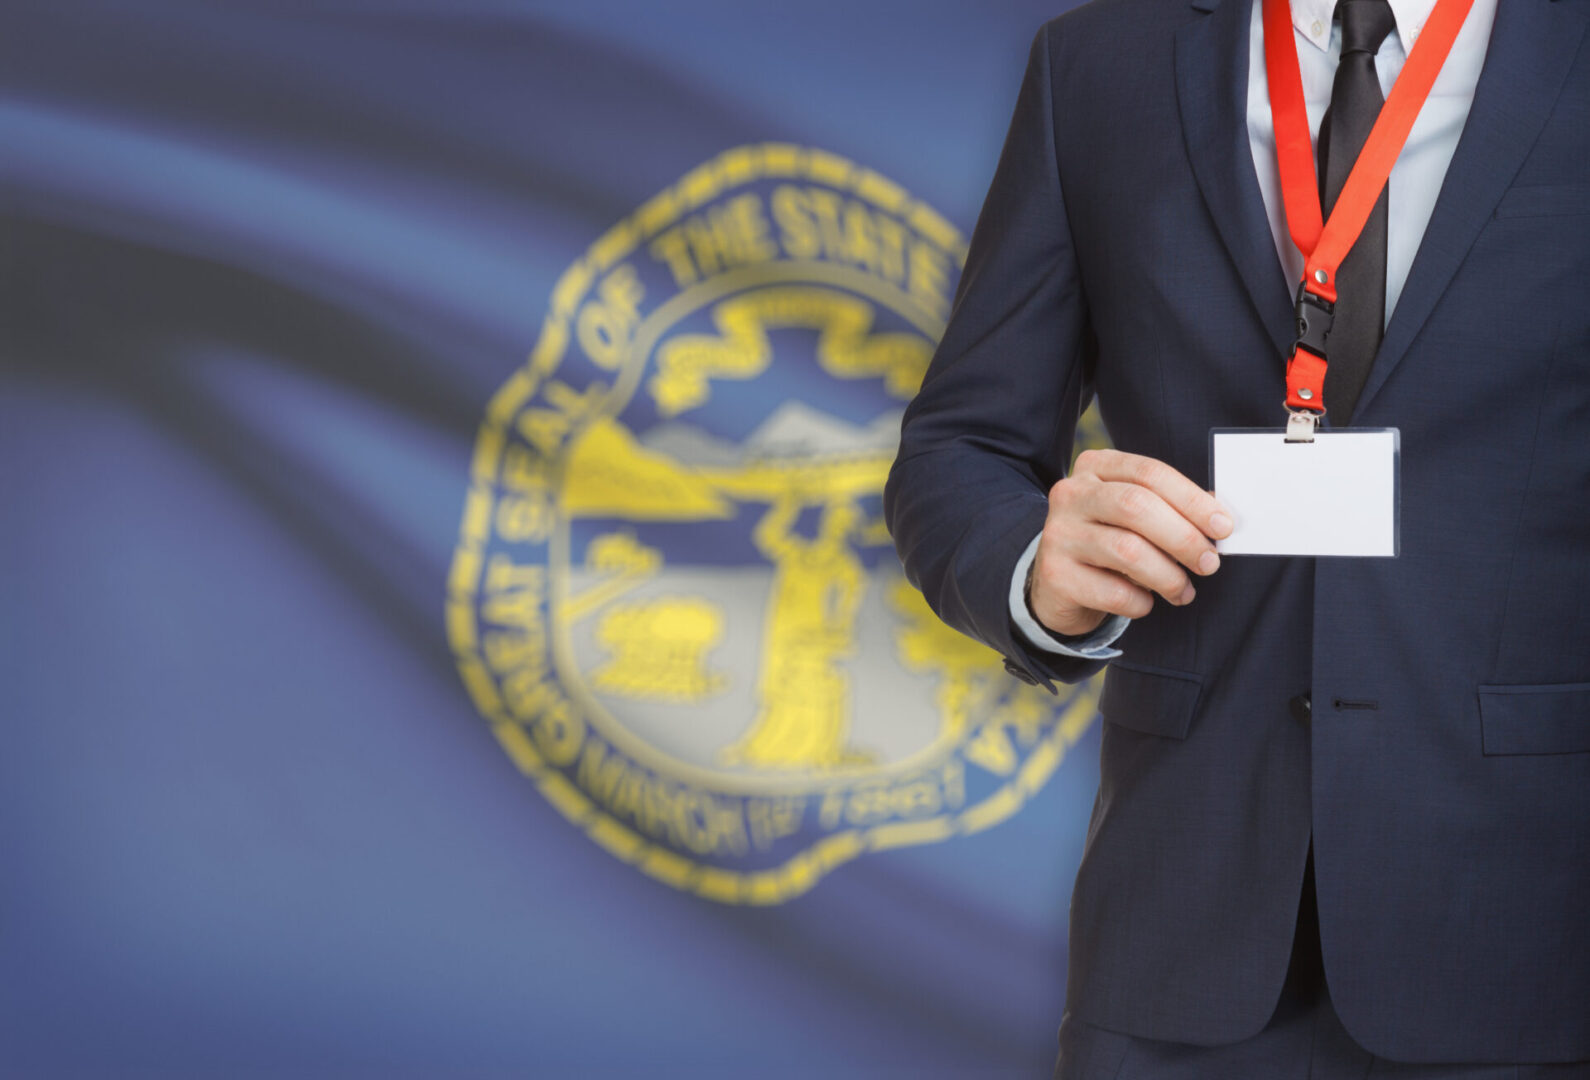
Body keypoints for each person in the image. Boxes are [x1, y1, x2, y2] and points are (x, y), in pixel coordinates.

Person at [883, 0, 1590, 1075]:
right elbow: (960, 444)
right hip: (1178, 941)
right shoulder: (1098, 64)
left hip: (1532, 938)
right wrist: (1032, 569)